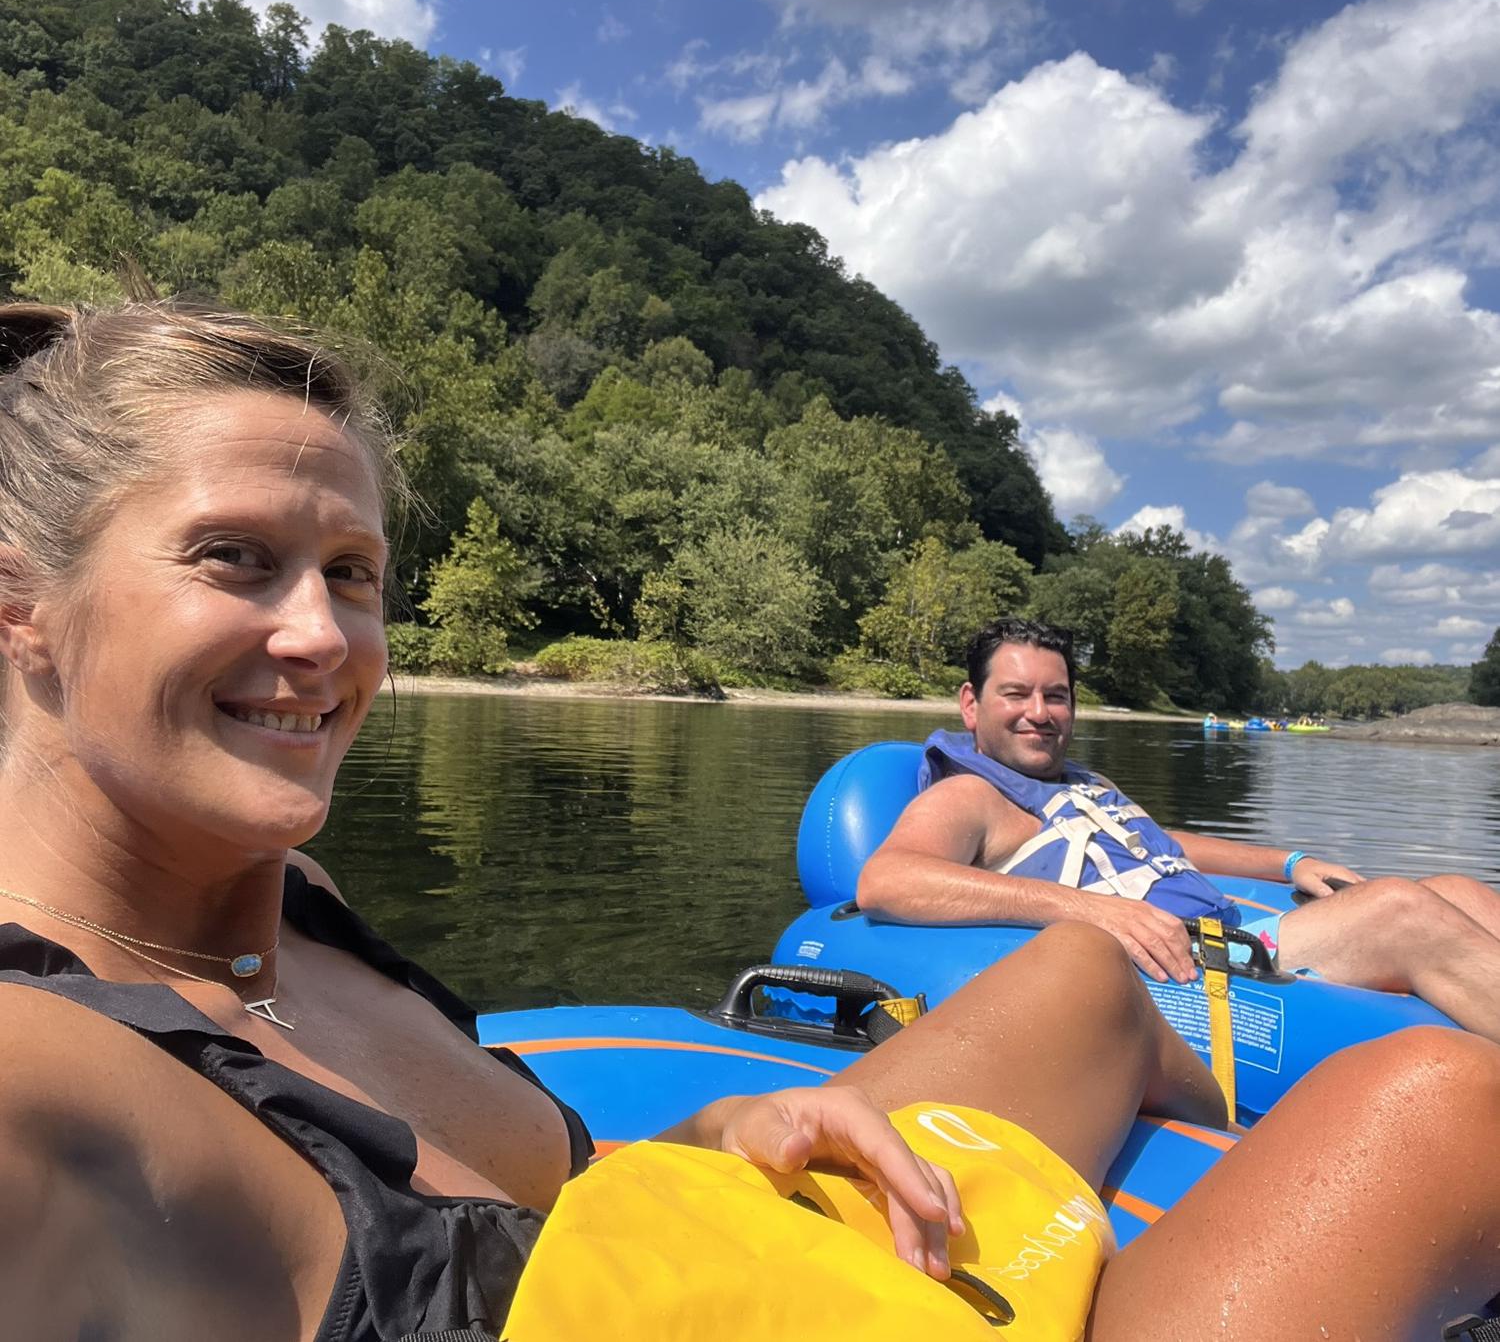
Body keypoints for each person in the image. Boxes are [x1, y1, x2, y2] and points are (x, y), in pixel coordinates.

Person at [2, 299, 1499, 1341]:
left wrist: (727, 1117)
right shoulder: (38, 1073)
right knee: (1443, 1108)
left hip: (730, 1241)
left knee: (1093, 985)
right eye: (234, 558)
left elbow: (568, 1187)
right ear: (27, 610)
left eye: (353, 571)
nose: (323, 636)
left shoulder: (289, 897)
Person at [858, 616, 1500, 1040]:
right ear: (971, 705)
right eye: (1016, 694)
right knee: (1399, 910)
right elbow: (888, 881)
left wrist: (1289, 862)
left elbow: (1165, 847)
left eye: (1056, 696)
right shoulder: (968, 795)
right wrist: (1087, 912)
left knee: (1460, 890)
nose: (1039, 713)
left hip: (1237, 938)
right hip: (1185, 973)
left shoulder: (1083, 785)